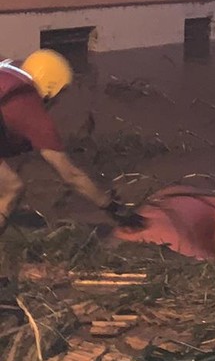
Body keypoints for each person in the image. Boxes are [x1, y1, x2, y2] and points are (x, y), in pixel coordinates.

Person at [0, 50, 142, 232]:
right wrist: (112, 208)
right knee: (12, 188)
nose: (58, 101)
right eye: (60, 94)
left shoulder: (8, 74)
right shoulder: (33, 113)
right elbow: (71, 175)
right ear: (51, 88)